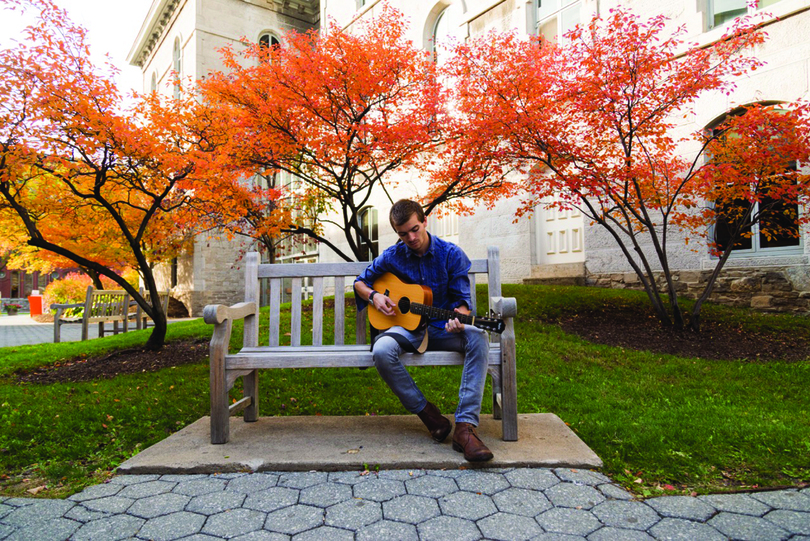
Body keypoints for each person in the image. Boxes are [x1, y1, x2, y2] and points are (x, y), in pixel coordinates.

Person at [354, 199, 493, 462]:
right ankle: (429, 416)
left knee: (478, 335)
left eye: (415, 229)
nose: (411, 237)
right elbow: (360, 282)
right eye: (403, 233)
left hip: (443, 328)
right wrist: (374, 297)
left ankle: (465, 428)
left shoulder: (451, 254)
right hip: (407, 330)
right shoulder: (393, 255)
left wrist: (459, 319)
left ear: (424, 220)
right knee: (382, 350)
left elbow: (462, 303)